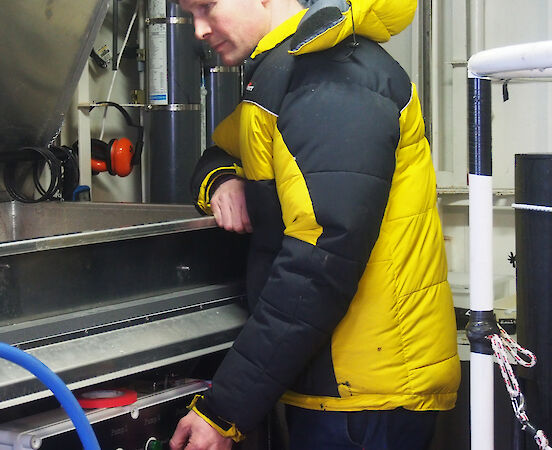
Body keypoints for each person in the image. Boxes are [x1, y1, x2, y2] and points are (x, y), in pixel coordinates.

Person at [169, 0, 461, 449]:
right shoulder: (283, 74)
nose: (199, 30)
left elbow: (319, 265)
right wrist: (223, 180)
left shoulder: (333, 79)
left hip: (364, 397)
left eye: (207, 6)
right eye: (191, 14)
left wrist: (224, 410)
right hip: (335, 387)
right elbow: (221, 148)